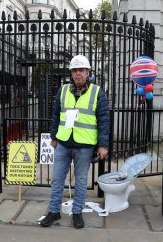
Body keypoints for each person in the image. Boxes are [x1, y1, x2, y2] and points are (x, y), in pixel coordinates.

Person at [40, 55, 110, 229]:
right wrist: (53, 136)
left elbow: (104, 120)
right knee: (56, 179)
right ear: (71, 73)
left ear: (87, 72)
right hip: (63, 142)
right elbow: (55, 114)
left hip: (84, 146)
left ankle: (77, 212)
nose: (78, 73)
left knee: (80, 181)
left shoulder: (97, 92)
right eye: (75, 70)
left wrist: (103, 145)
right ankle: (54, 211)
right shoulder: (63, 90)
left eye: (81, 70)